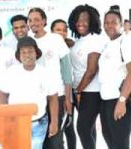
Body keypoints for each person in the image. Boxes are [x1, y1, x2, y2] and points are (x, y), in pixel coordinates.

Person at [0, 36, 58, 149]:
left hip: (39, 123)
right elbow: (2, 95)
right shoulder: (11, 72)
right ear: (19, 56)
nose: (27, 55)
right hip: (16, 123)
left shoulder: (45, 73)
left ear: (36, 53)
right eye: (23, 52)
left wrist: (54, 122)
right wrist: (4, 119)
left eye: (30, 51)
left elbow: (53, 98)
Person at [27, 7, 72, 149]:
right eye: (30, 20)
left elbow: (66, 69)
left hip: (57, 96)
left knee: (55, 139)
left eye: (37, 19)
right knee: (41, 140)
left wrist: (68, 99)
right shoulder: (27, 41)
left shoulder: (56, 39)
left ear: (44, 21)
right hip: (37, 98)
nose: (33, 23)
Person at [99, 5, 131, 149]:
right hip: (106, 102)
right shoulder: (108, 44)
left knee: (120, 145)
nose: (110, 25)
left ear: (121, 24)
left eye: (114, 22)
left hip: (120, 100)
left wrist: (122, 100)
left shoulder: (126, 40)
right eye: (107, 22)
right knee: (110, 141)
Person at [68, 4, 104, 149]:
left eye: (85, 20)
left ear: (93, 21)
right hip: (80, 91)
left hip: (90, 92)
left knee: (82, 129)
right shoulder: (79, 40)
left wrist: (78, 91)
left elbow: (91, 70)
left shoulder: (95, 39)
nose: (80, 23)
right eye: (78, 20)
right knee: (89, 129)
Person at [51, 19, 77, 149]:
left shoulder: (71, 46)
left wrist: (69, 99)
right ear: (52, 31)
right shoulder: (49, 46)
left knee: (69, 127)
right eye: (58, 30)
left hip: (68, 92)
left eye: (64, 30)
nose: (61, 33)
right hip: (56, 94)